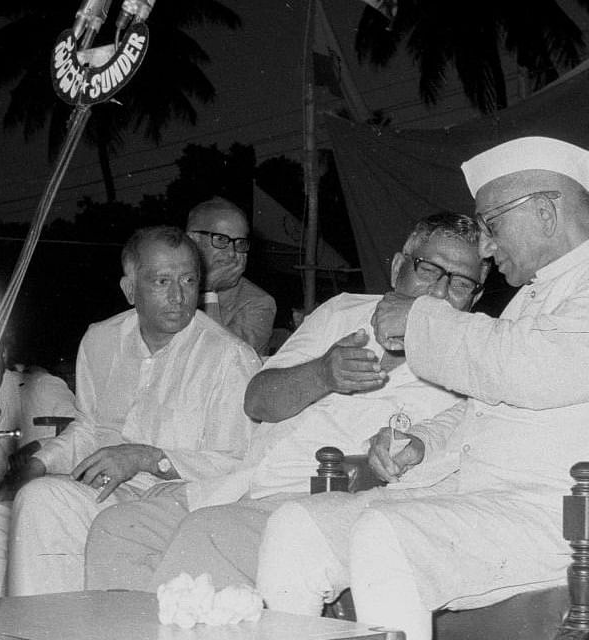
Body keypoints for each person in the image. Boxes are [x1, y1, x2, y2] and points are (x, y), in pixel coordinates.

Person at [256, 136, 589, 640]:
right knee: (297, 527)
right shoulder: (531, 299)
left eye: (491, 224)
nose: (483, 245)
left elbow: (529, 369)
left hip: (584, 520)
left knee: (386, 536)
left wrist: (418, 319)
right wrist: (422, 444)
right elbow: (478, 413)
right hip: (493, 505)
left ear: (546, 212)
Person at [85, 213, 487, 592]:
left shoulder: (474, 358)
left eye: (461, 283)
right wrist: (322, 374)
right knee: (117, 530)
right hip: (245, 484)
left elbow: (452, 450)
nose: (438, 291)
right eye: (428, 269)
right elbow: (257, 401)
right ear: (399, 265)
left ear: (476, 296)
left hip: (324, 506)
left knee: (209, 536)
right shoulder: (342, 311)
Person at [5, 225, 261, 596]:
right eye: (161, 282)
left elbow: (238, 462)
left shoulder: (228, 357)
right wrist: (39, 464)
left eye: (188, 280)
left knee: (109, 523)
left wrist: (146, 458)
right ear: (130, 290)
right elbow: (89, 427)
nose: (178, 296)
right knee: (40, 497)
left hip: (178, 504)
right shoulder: (100, 340)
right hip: (108, 493)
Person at [185, 197, 276, 356]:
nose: (232, 253)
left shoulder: (258, 302)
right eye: (221, 240)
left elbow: (221, 356)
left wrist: (209, 291)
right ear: (193, 240)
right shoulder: (173, 285)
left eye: (240, 242)